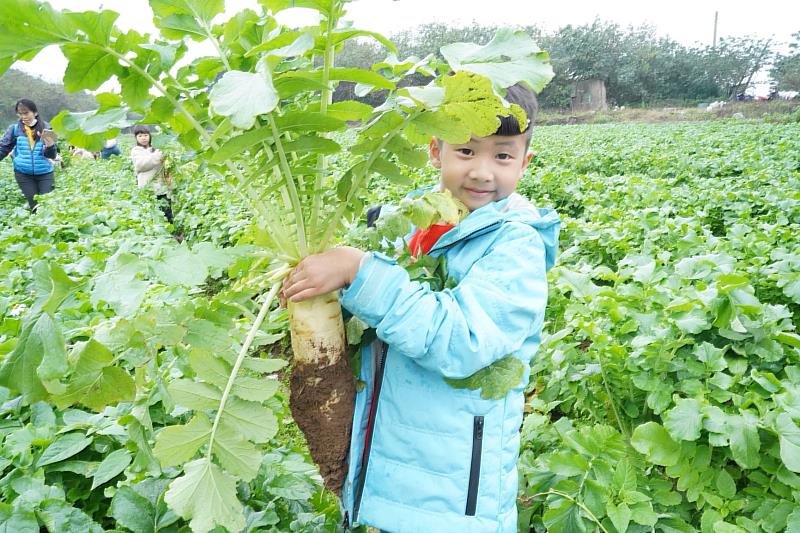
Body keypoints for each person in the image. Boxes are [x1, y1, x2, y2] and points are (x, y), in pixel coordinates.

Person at [282, 83, 560, 532]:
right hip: (390, 472)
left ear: (524, 163)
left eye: (502, 156)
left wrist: (359, 270)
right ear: (436, 150)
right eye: (467, 151)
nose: (484, 172)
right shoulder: (412, 223)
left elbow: (460, 340)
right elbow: (381, 306)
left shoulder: (516, 246)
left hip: (453, 501)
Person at [0, 99, 59, 211]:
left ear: (35, 113)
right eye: (20, 113)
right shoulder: (15, 129)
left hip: (45, 173)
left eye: (26, 113)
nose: (23, 117)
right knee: (34, 205)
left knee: (46, 204)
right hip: (23, 173)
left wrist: (50, 144)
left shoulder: (46, 128)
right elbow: (3, 148)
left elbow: (51, 155)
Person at [130, 125, 174, 224]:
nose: (143, 138)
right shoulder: (136, 151)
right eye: (140, 136)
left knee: (167, 212)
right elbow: (141, 165)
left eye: (145, 135)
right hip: (148, 188)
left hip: (162, 187)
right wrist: (157, 156)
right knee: (153, 213)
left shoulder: (156, 148)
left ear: (150, 136)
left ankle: (172, 234)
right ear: (136, 138)